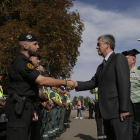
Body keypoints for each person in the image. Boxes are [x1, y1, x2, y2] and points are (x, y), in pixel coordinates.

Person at [5, 33, 74, 140]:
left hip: (24, 107)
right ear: (26, 46)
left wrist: (31, 109)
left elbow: (27, 89)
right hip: (18, 109)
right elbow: (41, 80)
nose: (38, 46)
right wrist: (65, 82)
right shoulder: (21, 61)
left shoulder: (25, 62)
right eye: (35, 44)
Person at [69, 34, 133, 140]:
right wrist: (76, 84)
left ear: (107, 44)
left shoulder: (118, 58)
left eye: (98, 44)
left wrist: (124, 109)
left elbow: (124, 83)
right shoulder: (100, 67)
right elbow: (92, 83)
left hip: (119, 113)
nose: (96, 47)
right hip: (108, 114)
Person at [122, 49, 140, 140]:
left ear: (133, 60)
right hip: (125, 105)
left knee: (137, 127)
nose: (124, 61)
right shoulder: (122, 73)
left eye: (127, 59)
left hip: (137, 105)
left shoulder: (138, 73)